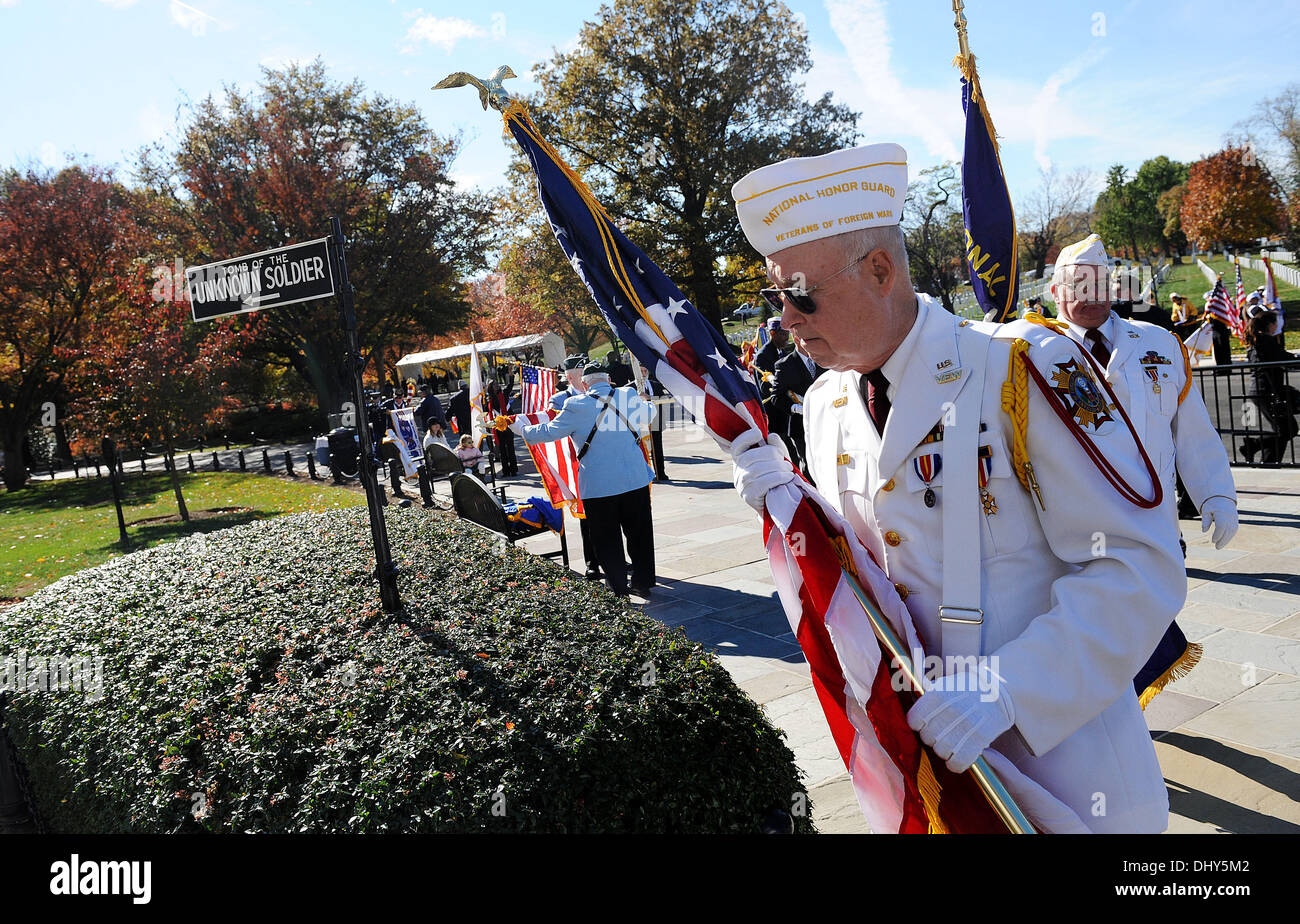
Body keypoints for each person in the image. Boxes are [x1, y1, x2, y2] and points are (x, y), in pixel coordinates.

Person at [729, 142, 1186, 833]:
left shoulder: (1021, 369)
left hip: (1067, 772)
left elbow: (1139, 564)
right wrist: (790, 502)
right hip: (934, 779)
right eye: (777, 298)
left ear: (880, 269)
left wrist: (1007, 690)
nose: (785, 319)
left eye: (800, 294)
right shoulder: (825, 406)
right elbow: (874, 570)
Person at [510, 361, 655, 597]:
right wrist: (641, 400)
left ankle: (618, 587)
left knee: (607, 540)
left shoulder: (576, 404)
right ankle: (642, 582)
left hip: (599, 486)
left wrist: (522, 429)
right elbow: (651, 414)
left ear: (585, 384)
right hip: (634, 480)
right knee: (640, 534)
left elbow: (548, 432)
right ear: (608, 380)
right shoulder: (627, 394)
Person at [551, 355, 607, 581]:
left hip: (604, 461)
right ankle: (592, 562)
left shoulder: (599, 394)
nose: (585, 376)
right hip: (578, 465)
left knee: (610, 512)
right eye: (581, 371)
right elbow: (553, 426)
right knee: (587, 516)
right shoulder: (559, 399)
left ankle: (614, 557)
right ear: (571, 376)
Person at [1240, 305, 1299, 464]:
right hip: (1267, 391)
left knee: (1284, 429)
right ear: (1270, 324)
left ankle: (1269, 461)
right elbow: (1283, 358)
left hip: (1264, 390)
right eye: (1276, 323)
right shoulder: (1265, 340)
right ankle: (1253, 446)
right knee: (1287, 429)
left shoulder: (1258, 340)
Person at [770, 341, 824, 477]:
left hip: (825, 421)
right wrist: (795, 408)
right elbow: (776, 397)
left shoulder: (823, 358)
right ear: (795, 338)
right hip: (801, 426)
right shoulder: (785, 364)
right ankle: (812, 495)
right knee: (809, 464)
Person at [640, 364, 669, 482]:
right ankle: (645, 475)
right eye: (641, 371)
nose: (643, 373)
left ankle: (660, 473)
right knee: (643, 449)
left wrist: (649, 398)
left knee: (657, 448)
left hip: (656, 421)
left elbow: (665, 398)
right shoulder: (631, 387)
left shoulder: (655, 385)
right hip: (640, 423)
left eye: (645, 370)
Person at [486, 380, 518, 476]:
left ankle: (513, 469)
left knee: (510, 448)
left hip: (507, 426)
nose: (496, 386)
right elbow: (487, 412)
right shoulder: (489, 399)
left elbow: (510, 384)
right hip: (497, 427)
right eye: (494, 385)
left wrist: (511, 375)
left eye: (497, 384)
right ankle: (506, 470)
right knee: (502, 450)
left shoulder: (504, 394)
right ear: (490, 387)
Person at [1204, 288, 1233, 366]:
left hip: (1221, 330)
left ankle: (1225, 366)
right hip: (1216, 331)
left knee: (1223, 349)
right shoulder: (1215, 309)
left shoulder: (1218, 310)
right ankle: (1222, 366)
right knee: (1219, 350)